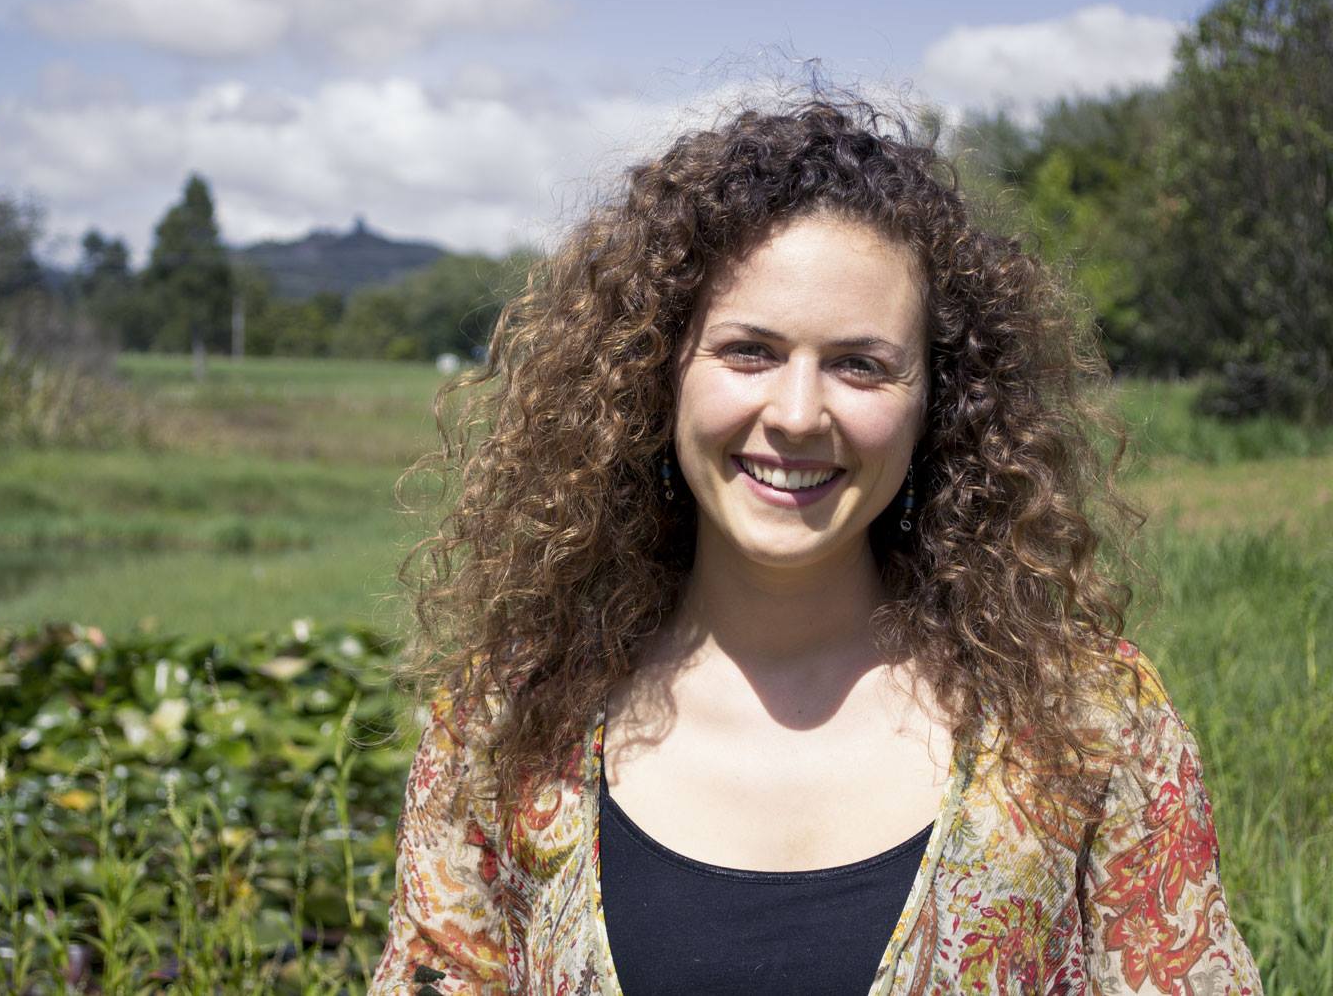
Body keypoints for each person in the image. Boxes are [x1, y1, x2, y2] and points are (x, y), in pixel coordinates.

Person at [371, 97, 1262, 995]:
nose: (798, 414)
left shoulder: (1089, 726)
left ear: (938, 403)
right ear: (656, 375)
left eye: (860, 364)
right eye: (749, 351)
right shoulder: (505, 728)